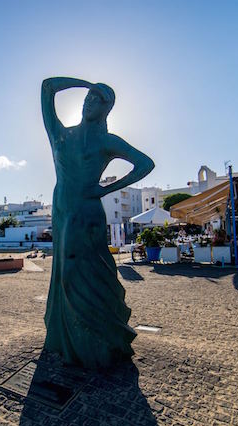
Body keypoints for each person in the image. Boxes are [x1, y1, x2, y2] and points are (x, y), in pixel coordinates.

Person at [41, 77, 154, 369]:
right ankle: (72, 341)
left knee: (76, 272)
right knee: (65, 274)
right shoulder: (60, 134)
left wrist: (105, 189)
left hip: (85, 211)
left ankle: (96, 343)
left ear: (106, 109)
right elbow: (47, 87)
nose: (88, 102)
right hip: (62, 209)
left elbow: (145, 164)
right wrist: (86, 83)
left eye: (96, 99)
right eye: (87, 97)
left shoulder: (105, 141)